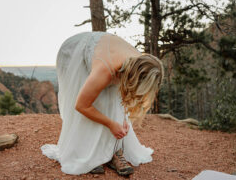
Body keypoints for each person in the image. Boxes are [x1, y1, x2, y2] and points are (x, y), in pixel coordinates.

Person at [40, 31, 164, 176]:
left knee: (111, 97)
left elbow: (125, 94)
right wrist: (111, 124)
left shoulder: (141, 63)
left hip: (104, 50)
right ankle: (85, 153)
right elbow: (81, 106)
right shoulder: (105, 70)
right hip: (74, 51)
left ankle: (114, 151)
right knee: (93, 101)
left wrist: (124, 118)